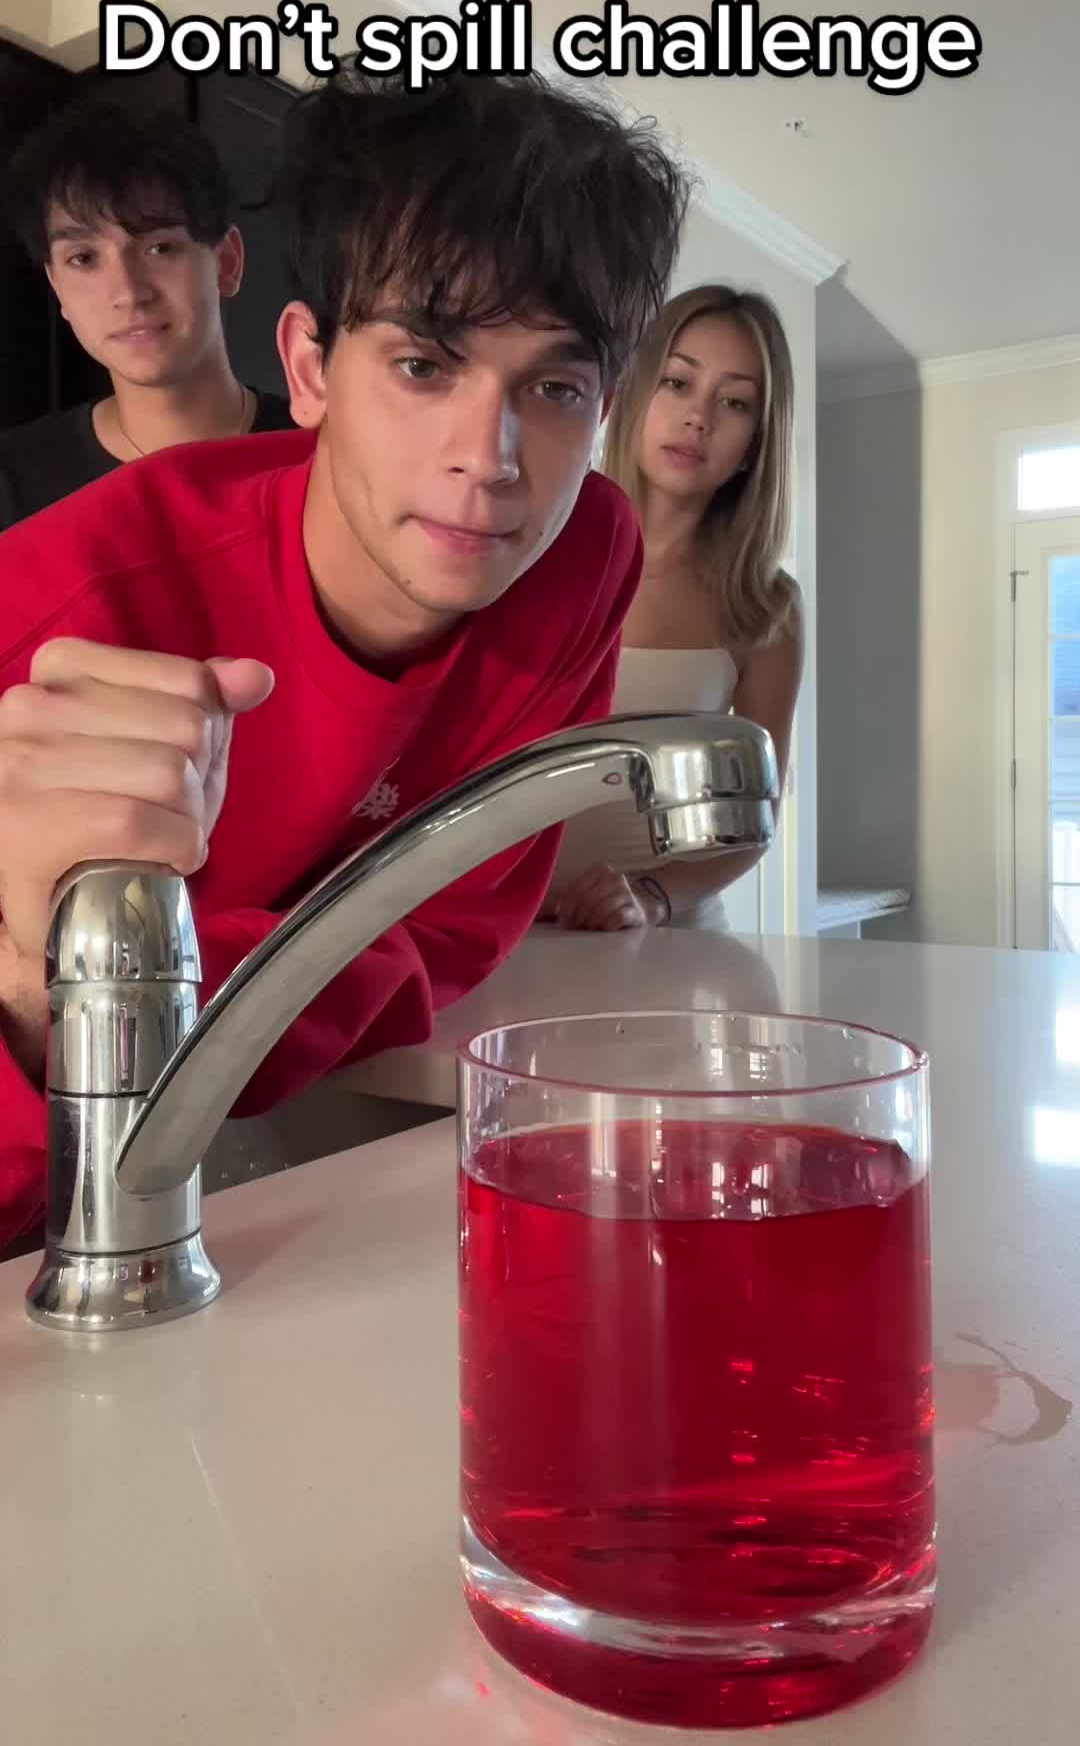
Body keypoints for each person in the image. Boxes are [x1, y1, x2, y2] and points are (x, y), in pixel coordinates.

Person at [0, 61, 688, 1250]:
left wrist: (140, 998)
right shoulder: (59, 600)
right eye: (424, 366)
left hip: (246, 1166)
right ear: (310, 369)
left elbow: (459, 917)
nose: (491, 457)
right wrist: (32, 998)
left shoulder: (585, 554)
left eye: (554, 387)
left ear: (604, 410)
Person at [544, 283, 804, 932]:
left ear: (756, 442)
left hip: (668, 943)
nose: (699, 418)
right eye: (678, 383)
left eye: (735, 402)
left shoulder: (766, 605)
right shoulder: (535, 552)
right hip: (511, 933)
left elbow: (754, 820)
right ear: (635, 392)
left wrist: (650, 898)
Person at [0, 96, 294, 529]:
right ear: (56, 284)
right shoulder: (13, 483)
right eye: (83, 258)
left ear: (227, 262)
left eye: (160, 248)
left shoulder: (320, 454)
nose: (129, 293)